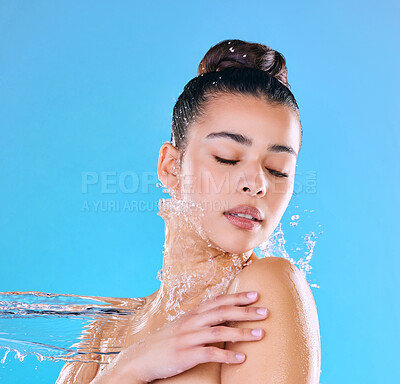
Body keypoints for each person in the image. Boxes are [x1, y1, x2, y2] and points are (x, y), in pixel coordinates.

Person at [56, 39, 321, 384]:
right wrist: (129, 369)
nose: (257, 184)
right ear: (170, 167)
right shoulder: (105, 329)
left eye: (277, 169)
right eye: (227, 157)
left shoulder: (261, 291)